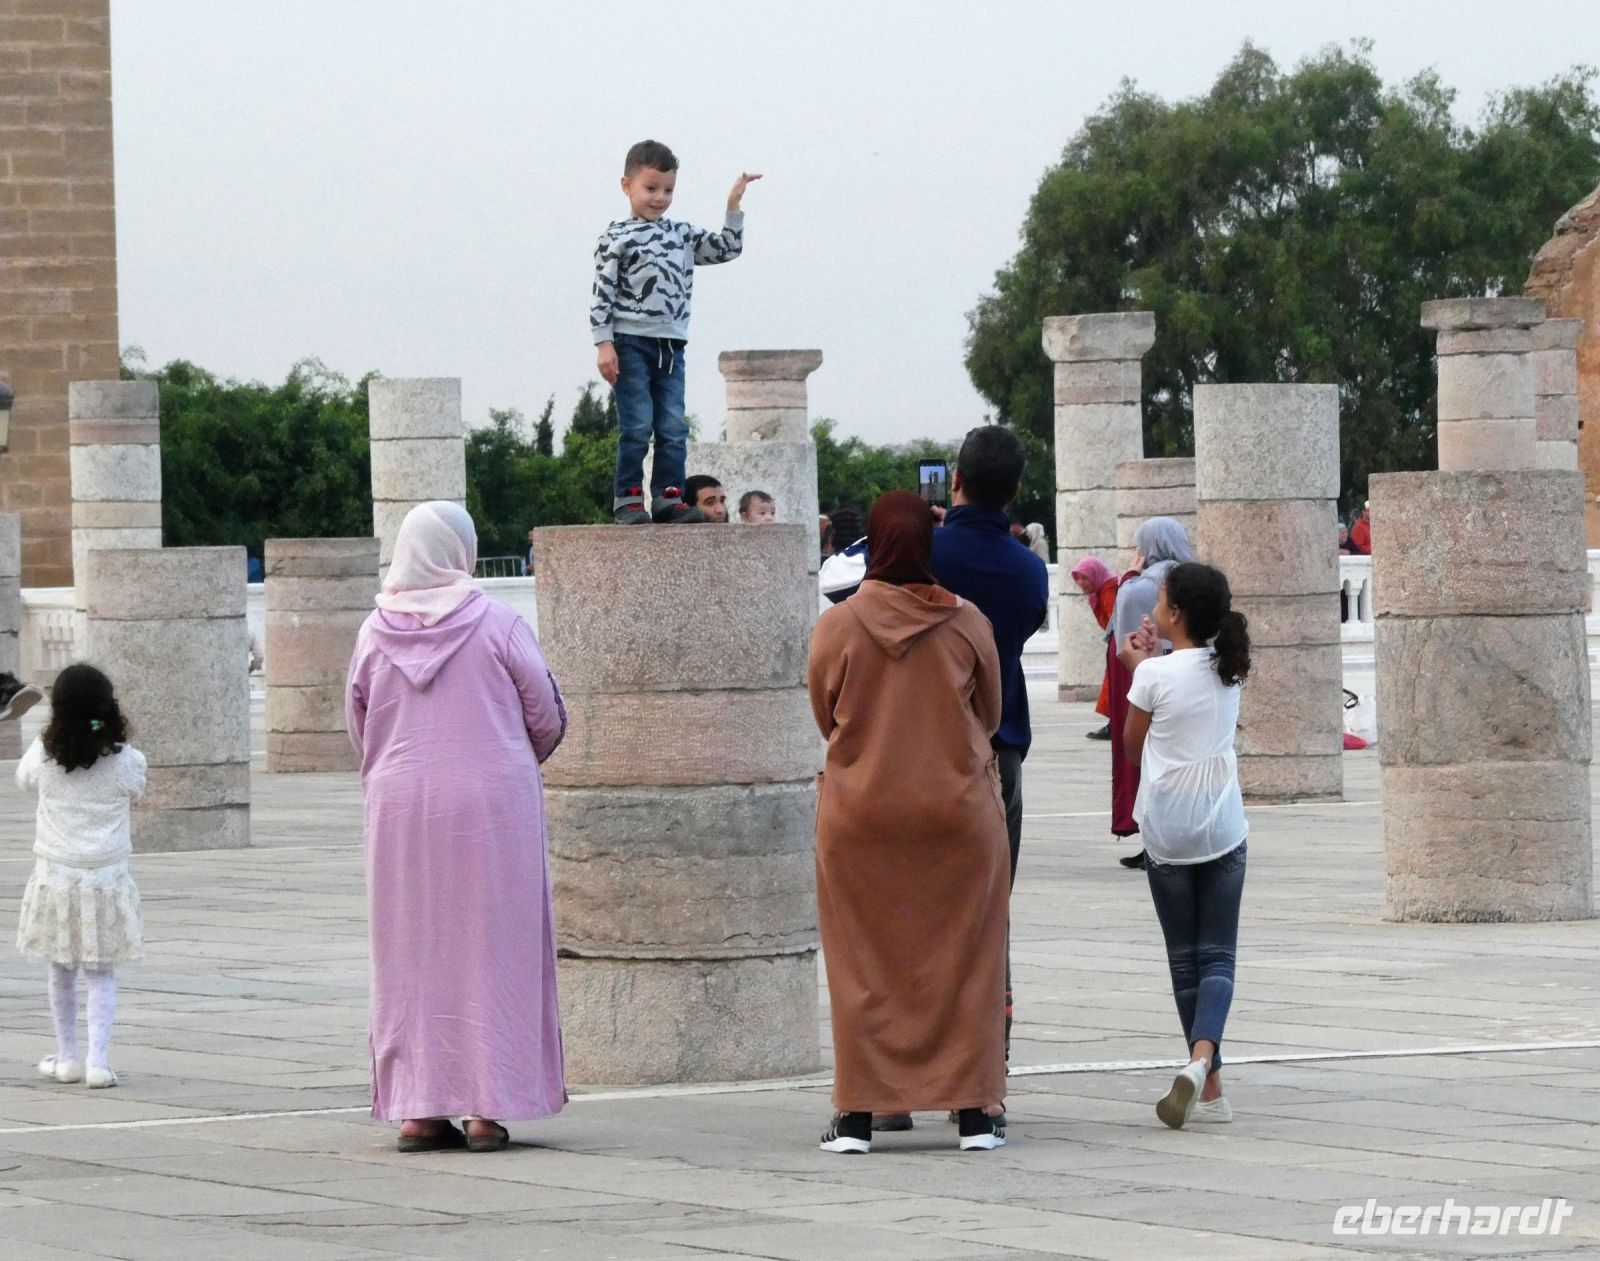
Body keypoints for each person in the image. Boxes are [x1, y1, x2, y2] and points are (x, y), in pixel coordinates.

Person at [346, 501, 568, 1153]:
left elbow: (359, 724)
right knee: (494, 948)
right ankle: (485, 1106)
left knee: (410, 951)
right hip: (490, 808)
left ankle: (419, 1105)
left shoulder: (371, 631)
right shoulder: (498, 623)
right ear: (462, 551)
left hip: (401, 811)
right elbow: (546, 714)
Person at [807, 491, 1010, 1154]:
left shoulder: (837, 626)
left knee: (862, 962)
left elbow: (825, 712)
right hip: (957, 814)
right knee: (969, 960)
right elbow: (990, 711)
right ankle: (974, 1110)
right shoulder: (967, 621)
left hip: (860, 815)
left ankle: (861, 1112)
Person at [928, 426, 1049, 1068]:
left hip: (924, 746)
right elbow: (1024, 630)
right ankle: (985, 1057)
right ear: (1016, 491)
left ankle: (914, 1062)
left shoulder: (925, 554)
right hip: (998, 746)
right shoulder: (1028, 568)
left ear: (955, 479)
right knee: (988, 905)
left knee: (919, 905)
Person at [1120, 562, 1250, 1130]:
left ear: (1174, 614)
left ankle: (1208, 1077)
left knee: (1184, 959)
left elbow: (1131, 748)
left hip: (1168, 830)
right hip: (1222, 824)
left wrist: (1138, 669)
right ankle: (1205, 1067)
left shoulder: (1153, 676)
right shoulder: (1232, 668)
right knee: (1218, 954)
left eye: (1161, 598)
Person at [591, 139, 760, 524]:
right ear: (626, 186)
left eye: (668, 190)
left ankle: (668, 497)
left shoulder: (681, 234)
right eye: (651, 188)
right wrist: (604, 343)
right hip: (629, 341)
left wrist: (733, 205)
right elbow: (602, 293)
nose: (660, 198)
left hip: (671, 344)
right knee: (636, 425)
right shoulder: (616, 237)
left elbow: (726, 249)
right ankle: (628, 500)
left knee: (672, 425)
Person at [14, 664, 145, 1090]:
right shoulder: (127, 760)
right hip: (106, 876)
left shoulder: (44, 754)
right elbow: (135, 789)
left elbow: (23, 780)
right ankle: (98, 1061)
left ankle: (67, 1056)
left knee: (61, 968)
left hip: (56, 876)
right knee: (101, 973)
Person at [1108, 518, 1194, 871]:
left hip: (1144, 675)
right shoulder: (1193, 578)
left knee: (1145, 756)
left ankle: (1153, 840)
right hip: (1190, 676)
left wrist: (1127, 579)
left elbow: (1120, 633)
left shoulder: (1141, 585)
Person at [1070, 557, 1120, 741]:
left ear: (1095, 575)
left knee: (1115, 684)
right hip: (1116, 641)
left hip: (1120, 642)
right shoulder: (1101, 590)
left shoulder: (1109, 591)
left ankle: (1115, 725)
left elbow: (1115, 621)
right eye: (1078, 578)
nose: (1080, 583)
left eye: (1085, 578)